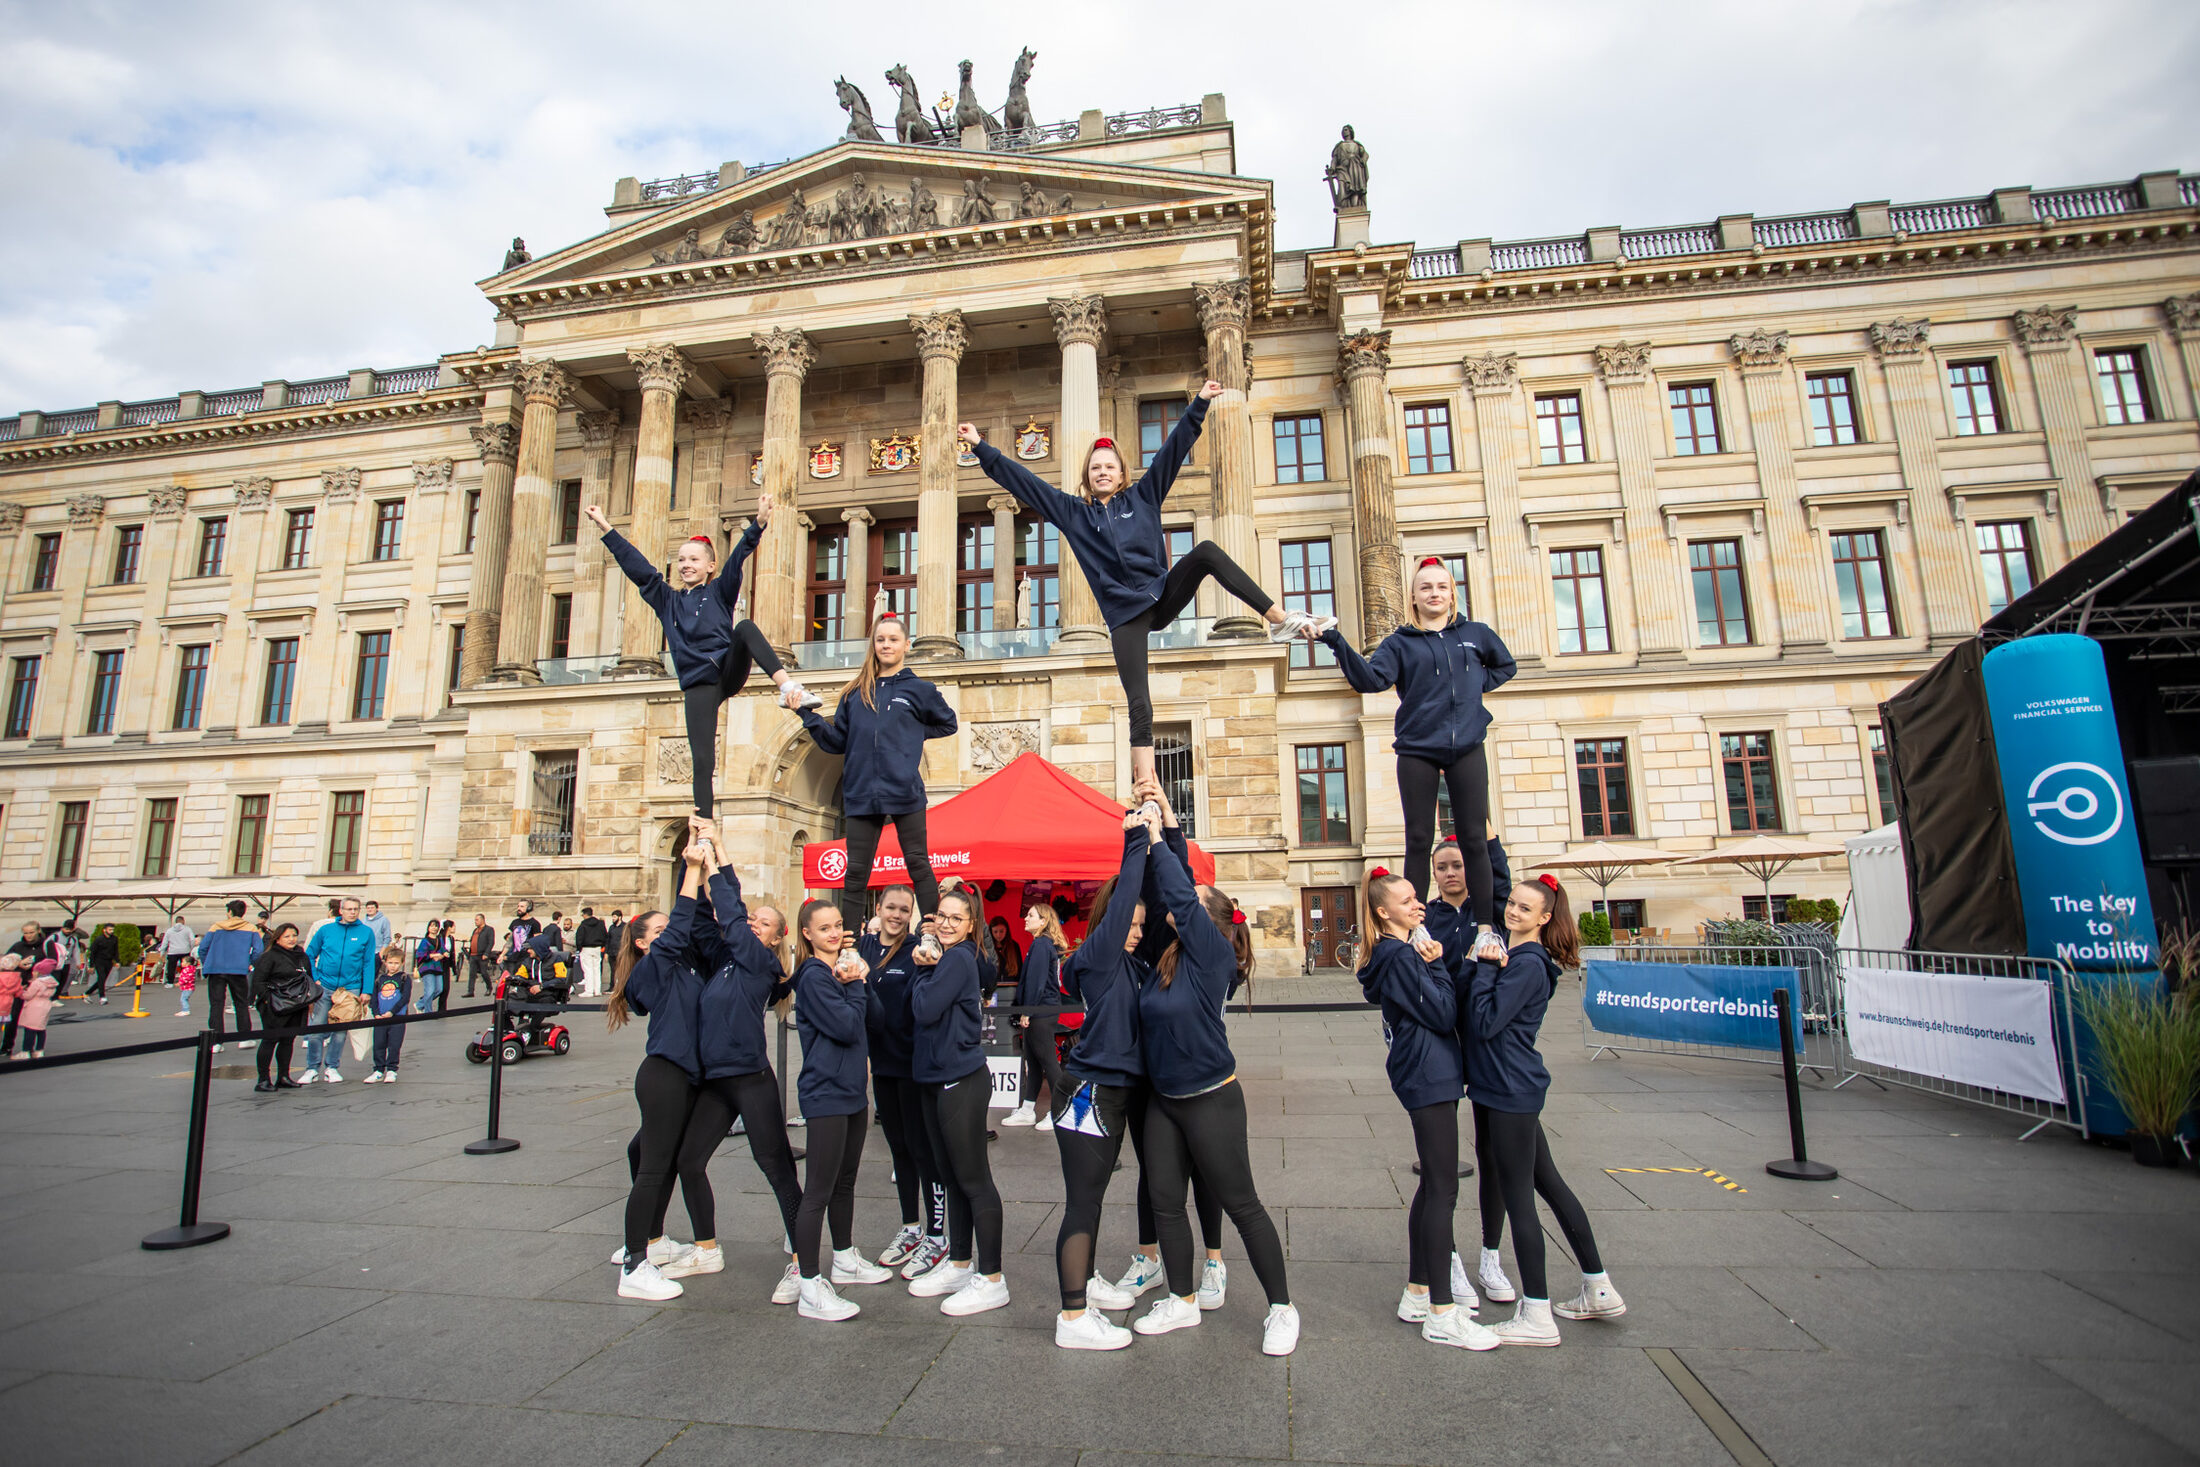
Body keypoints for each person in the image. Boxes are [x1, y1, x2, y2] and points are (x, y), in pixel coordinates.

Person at [963, 395, 1327, 791]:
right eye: (1095, 468)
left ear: (1121, 475)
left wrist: (1199, 404)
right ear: (1087, 477)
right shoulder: (1074, 514)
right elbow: (1025, 484)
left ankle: (1281, 619)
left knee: (1205, 552)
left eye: (1110, 467)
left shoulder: (1144, 496)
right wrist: (982, 447)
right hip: (1125, 619)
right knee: (1139, 701)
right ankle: (1146, 785)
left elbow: (1172, 451)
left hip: (1162, 595)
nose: (1103, 472)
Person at [1126, 803, 1301, 1356]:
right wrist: (1168, 824)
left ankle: (1282, 1309)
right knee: (1165, 1204)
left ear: (1211, 922)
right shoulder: (1170, 953)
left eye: (1195, 905)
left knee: (1242, 1205)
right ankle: (1181, 1300)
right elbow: (1170, 890)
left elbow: (1181, 893)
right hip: (1165, 1101)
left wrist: (1154, 838)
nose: (1181, 905)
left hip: (1211, 1101)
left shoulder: (1212, 954)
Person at [1466, 873, 1624, 1344]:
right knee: (1548, 1182)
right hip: (1511, 1086)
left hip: (1508, 1089)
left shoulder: (1526, 963)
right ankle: (1597, 1287)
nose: (1513, 912)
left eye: (1524, 908)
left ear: (1545, 917)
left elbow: (1485, 1022)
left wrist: (1486, 968)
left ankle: (1536, 1314)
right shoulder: (1525, 958)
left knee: (1520, 1200)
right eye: (1511, 904)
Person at [588, 496, 817, 818]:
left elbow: (737, 559)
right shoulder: (668, 600)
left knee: (746, 627)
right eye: (681, 560)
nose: (686, 565)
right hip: (699, 685)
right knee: (702, 758)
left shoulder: (720, 591)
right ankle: (704, 825)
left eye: (694, 559)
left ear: (709, 566)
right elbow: (638, 569)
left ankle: (788, 688)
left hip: (726, 668)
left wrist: (758, 525)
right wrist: (606, 527)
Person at [1320, 557, 1515, 925]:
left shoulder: (1477, 634)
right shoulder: (1400, 643)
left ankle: (1487, 927)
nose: (1434, 593)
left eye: (1441, 587)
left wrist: (1473, 690)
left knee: (1474, 837)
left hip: (1467, 747)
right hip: (1417, 748)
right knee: (1419, 839)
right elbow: (1370, 681)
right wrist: (1335, 640)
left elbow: (1506, 666)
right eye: (1425, 587)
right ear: (1413, 598)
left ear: (1453, 594)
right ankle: (1416, 925)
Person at [1360, 871, 1500, 1349]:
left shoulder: (1397, 952)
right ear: (1384, 912)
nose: (1419, 904)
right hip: (1427, 1072)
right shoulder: (1398, 955)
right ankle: (1442, 1309)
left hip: (1427, 1069)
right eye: (1407, 899)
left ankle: (1419, 1290)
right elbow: (1441, 1013)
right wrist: (1438, 965)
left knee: (1433, 1186)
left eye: (1417, 897)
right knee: (1443, 1189)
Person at [1045, 814, 1160, 1350]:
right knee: (1082, 1203)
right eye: (1129, 923)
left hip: (1116, 1093)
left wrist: (1163, 842)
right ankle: (1072, 1317)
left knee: (1092, 1197)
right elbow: (1124, 903)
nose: (1136, 932)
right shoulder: (1096, 957)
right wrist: (1136, 839)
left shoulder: (1134, 967)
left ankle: (1085, 1282)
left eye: (1140, 925)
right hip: (1090, 1092)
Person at [683, 821, 807, 1303]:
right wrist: (701, 859)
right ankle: (705, 1246)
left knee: (775, 1166)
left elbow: (730, 916)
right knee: (689, 1160)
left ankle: (802, 1259)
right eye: (754, 919)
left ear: (776, 939)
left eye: (765, 923)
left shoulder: (762, 962)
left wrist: (720, 860)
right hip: (716, 1080)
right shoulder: (727, 958)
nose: (755, 924)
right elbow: (702, 919)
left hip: (750, 1078)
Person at [785, 615, 956, 930]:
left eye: (893, 639)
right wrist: (805, 714)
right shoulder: (854, 693)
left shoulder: (920, 689)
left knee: (918, 864)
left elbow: (948, 722)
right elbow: (837, 741)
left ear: (906, 645)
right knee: (856, 873)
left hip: (905, 790)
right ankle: (849, 942)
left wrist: (908, 736)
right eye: (880, 640)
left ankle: (932, 933)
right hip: (862, 791)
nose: (886, 645)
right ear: (873, 646)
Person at [607, 849, 711, 1301]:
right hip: (665, 1075)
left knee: (645, 1151)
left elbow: (700, 920)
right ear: (646, 942)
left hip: (682, 1076)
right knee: (653, 1168)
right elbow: (684, 920)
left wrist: (709, 874)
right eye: (661, 931)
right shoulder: (651, 968)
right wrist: (690, 869)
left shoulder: (681, 965)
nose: (672, 934)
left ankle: (652, 1238)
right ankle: (634, 1263)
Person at [906, 888, 1009, 1315]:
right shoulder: (947, 958)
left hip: (959, 1081)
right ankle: (961, 1262)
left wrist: (921, 972)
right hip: (936, 1078)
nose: (946, 923)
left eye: (956, 918)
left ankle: (992, 1278)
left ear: (971, 925)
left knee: (973, 1180)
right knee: (951, 1178)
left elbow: (924, 1008)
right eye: (941, 916)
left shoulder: (959, 958)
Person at [787, 894, 887, 1321]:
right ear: (807, 933)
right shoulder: (812, 976)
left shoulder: (839, 971)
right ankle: (809, 1284)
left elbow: (875, 1021)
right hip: (826, 1093)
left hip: (850, 1092)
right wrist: (855, 985)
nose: (832, 933)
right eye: (823, 927)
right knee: (818, 1192)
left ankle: (844, 1257)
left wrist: (861, 979)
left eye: (836, 925)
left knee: (845, 1183)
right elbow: (848, 1027)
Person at [861, 885, 950, 1279]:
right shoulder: (863, 947)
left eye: (905, 909)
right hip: (882, 1066)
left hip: (914, 1066)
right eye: (891, 907)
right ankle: (910, 1228)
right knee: (898, 1149)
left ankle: (936, 1235)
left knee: (922, 1150)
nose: (897, 915)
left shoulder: (917, 949)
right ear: (879, 908)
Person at [1001, 903, 1068, 1130]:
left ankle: (1060, 1110)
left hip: (1041, 1010)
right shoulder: (1041, 944)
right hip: (1041, 1009)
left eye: (1031, 915)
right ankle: (1028, 1109)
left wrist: (1027, 1011)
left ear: (1043, 921)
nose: (1025, 918)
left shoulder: (1041, 944)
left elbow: (1037, 982)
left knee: (1048, 1060)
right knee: (1033, 1060)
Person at [303, 897, 376, 1083]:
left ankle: (332, 1067)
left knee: (340, 1031)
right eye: (349, 909)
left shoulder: (366, 932)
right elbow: (309, 955)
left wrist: (366, 990)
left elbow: (368, 963)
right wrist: (316, 979)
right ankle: (312, 1068)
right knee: (316, 1029)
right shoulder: (326, 930)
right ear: (341, 911)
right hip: (325, 985)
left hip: (350, 987)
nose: (352, 912)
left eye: (355, 909)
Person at [249, 923, 315, 1091]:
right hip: (275, 1005)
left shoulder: (301, 955)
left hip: (296, 1004)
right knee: (270, 1040)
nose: (291, 939)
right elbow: (258, 980)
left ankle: (283, 1076)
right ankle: (263, 1079)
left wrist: (309, 1001)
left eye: (294, 935)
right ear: (277, 938)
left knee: (288, 1040)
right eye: (287, 936)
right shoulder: (270, 956)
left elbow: (308, 977)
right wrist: (267, 1000)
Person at [197, 900, 262, 1049]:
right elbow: (258, 951)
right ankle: (244, 1038)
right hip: (238, 969)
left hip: (216, 969)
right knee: (241, 1003)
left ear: (230, 912)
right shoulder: (251, 928)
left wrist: (208, 963)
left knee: (216, 1004)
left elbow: (203, 948)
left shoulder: (216, 926)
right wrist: (249, 962)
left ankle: (216, 1041)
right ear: (243, 912)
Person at [364, 947, 412, 1083]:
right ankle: (378, 1070)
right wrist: (376, 1013)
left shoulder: (404, 978)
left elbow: (405, 998)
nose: (393, 966)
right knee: (379, 1044)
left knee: (394, 1044)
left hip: (397, 1017)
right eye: (390, 962)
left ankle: (391, 1069)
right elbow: (374, 998)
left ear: (402, 963)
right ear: (385, 963)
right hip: (380, 1018)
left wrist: (392, 1012)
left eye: (396, 963)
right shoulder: (380, 979)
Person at [15, 961, 58, 1058]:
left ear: (39, 972)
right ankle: (39, 1050)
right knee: (41, 1028)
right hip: (45, 1004)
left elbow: (28, 995)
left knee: (30, 1028)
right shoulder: (52, 982)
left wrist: (21, 991)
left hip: (34, 1006)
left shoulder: (37, 983)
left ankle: (25, 1051)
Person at [413, 921, 453, 1013]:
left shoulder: (439, 939)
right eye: (432, 926)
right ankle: (428, 1012)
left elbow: (443, 950)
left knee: (439, 989)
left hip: (437, 968)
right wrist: (432, 956)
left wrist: (443, 954)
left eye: (436, 926)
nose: (434, 928)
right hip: (428, 968)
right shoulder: (425, 941)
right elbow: (420, 954)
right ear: (428, 928)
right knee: (430, 990)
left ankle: (419, 1004)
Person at [575, 907, 609, 996]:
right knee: (597, 969)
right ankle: (597, 990)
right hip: (597, 948)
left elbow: (579, 938)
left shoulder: (583, 925)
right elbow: (605, 936)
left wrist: (579, 948)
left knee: (588, 970)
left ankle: (589, 990)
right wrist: (602, 945)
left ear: (585, 915)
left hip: (586, 948)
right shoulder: (600, 924)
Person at [85, 923, 118, 1005]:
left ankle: (86, 993)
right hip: (99, 961)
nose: (111, 931)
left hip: (109, 961)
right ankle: (102, 997)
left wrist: (117, 961)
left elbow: (116, 951)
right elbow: (92, 953)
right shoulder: (99, 939)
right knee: (101, 978)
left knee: (101, 980)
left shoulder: (114, 939)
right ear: (104, 930)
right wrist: (91, 965)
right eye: (110, 929)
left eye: (112, 930)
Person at [465, 914, 496, 997]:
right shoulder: (475, 930)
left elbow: (491, 942)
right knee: (472, 974)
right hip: (473, 955)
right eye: (475, 920)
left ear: (482, 920)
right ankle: (470, 991)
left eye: (477, 920)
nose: (475, 922)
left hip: (482, 955)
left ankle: (489, 987)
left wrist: (486, 953)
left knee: (483, 972)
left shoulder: (489, 929)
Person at [0, 955, 24, 1057]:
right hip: (7, 1006)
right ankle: (3, 1046)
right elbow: (18, 993)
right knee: (2, 1027)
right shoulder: (16, 977)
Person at [160, 915, 195, 986]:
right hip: (185, 950)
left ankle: (170, 982)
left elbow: (165, 942)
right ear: (183, 921)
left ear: (175, 921)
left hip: (173, 951)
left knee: (171, 968)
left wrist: (162, 951)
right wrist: (191, 947)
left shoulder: (169, 930)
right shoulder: (187, 929)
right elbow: (192, 939)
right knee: (186, 967)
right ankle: (186, 981)